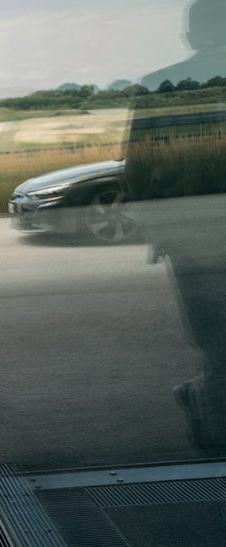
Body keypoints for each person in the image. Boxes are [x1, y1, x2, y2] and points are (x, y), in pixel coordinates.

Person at [124, 0, 226, 456]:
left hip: (190, 236)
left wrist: (157, 228)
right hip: (195, 236)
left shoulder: (158, 84)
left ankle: (206, 410)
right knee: (219, 344)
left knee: (216, 341)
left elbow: (139, 167)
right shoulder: (161, 85)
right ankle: (213, 423)